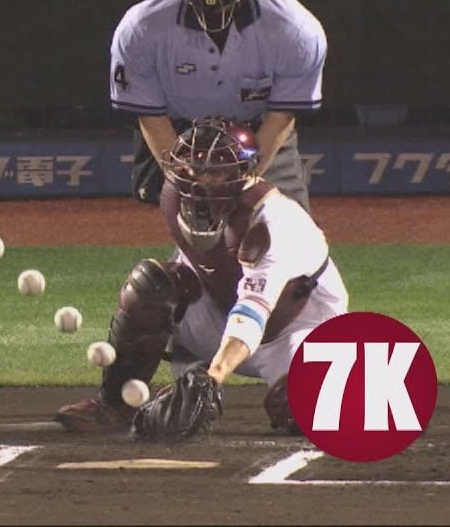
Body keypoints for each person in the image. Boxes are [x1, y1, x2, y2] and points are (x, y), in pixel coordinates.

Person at [54, 117, 349, 435]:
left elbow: (252, 311)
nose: (199, 179)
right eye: (193, 166)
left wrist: (213, 376)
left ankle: (341, 377)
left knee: (304, 408)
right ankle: (114, 405)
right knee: (148, 287)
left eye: (214, 170)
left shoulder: (272, 223)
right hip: (222, 310)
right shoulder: (174, 198)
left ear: (244, 172)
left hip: (295, 330)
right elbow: (195, 270)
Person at [111, 0, 325, 211]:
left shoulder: (294, 26)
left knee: (287, 225)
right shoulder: (141, 26)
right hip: (177, 132)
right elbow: (150, 116)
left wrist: (244, 181)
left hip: (259, 130)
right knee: (195, 225)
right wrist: (184, 179)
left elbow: (281, 116)